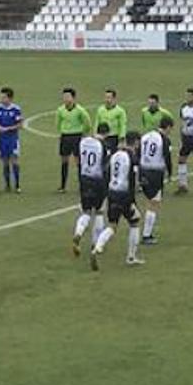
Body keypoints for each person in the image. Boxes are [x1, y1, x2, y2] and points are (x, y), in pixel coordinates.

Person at [91, 132, 145, 270]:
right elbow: (132, 181)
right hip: (124, 195)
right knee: (135, 222)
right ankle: (131, 257)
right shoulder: (132, 158)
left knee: (112, 225)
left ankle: (97, 247)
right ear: (136, 143)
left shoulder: (114, 155)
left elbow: (107, 173)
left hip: (112, 192)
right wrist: (132, 201)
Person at [71, 123, 110, 258]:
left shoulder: (84, 141)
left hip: (84, 178)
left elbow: (77, 158)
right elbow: (105, 166)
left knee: (86, 211)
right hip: (97, 180)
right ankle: (95, 243)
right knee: (99, 211)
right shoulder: (103, 145)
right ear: (106, 134)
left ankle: (79, 233)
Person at [138, 115, 173, 246]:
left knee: (149, 201)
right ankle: (146, 235)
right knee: (154, 203)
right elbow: (167, 157)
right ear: (168, 127)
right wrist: (170, 173)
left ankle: (147, 233)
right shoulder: (164, 139)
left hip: (143, 170)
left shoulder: (146, 136)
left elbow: (139, 151)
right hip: (155, 173)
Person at [56, 87, 93, 193]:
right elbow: (58, 123)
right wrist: (61, 132)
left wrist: (83, 133)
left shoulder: (80, 110)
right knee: (64, 160)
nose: (66, 99)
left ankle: (82, 185)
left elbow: (87, 123)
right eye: (64, 96)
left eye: (68, 96)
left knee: (78, 161)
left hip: (76, 136)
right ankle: (63, 185)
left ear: (73, 98)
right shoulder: (60, 110)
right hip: (65, 136)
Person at [0, 87, 24, 193]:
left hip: (12, 139)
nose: (1, 99)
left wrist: (8, 128)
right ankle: (7, 185)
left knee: (14, 160)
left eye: (3, 97)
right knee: (4, 162)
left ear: (10, 98)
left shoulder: (16, 109)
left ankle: (17, 185)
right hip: (1, 139)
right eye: (1, 97)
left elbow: (20, 124)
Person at [94, 89, 128, 153]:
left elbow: (122, 125)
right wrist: (95, 134)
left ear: (114, 99)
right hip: (102, 137)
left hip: (114, 137)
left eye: (109, 98)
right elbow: (97, 123)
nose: (107, 100)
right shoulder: (100, 110)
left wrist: (121, 140)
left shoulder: (120, 111)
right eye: (106, 98)